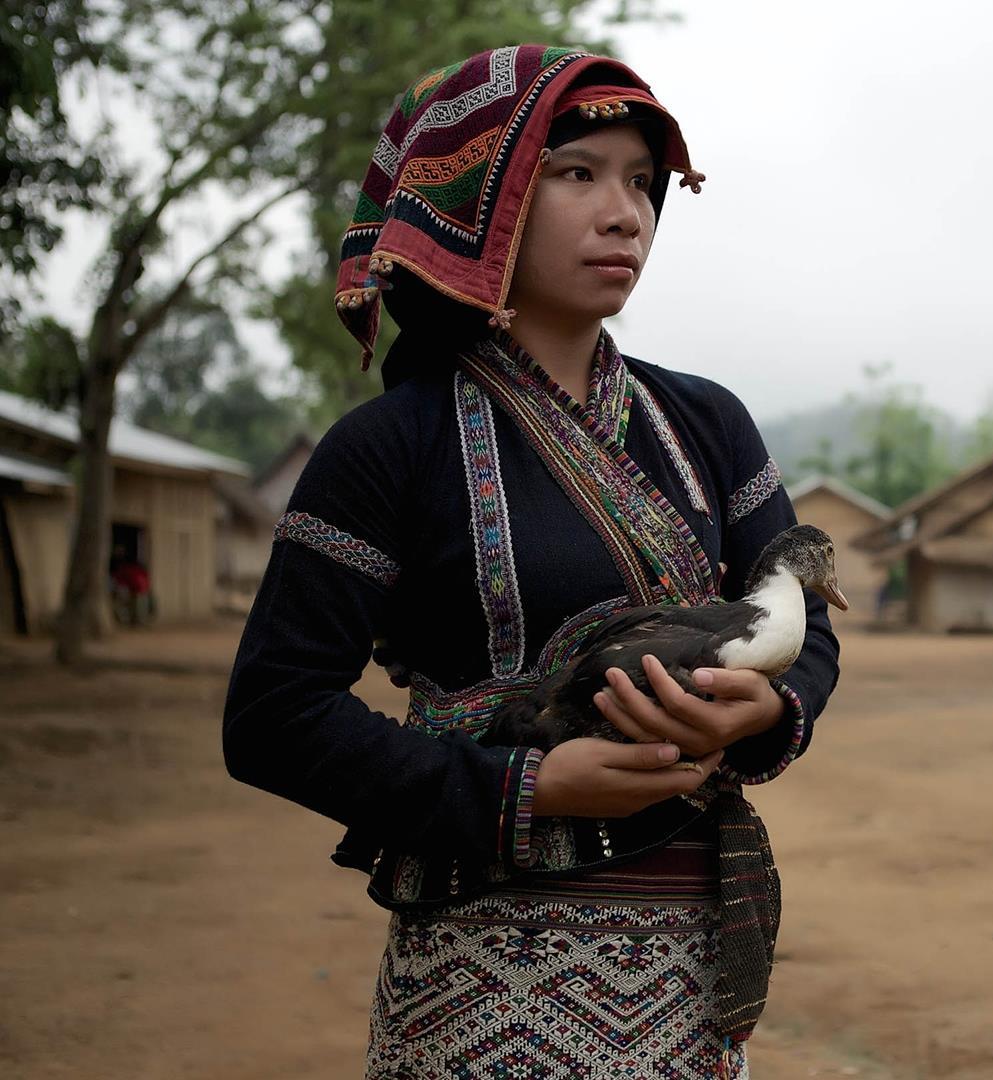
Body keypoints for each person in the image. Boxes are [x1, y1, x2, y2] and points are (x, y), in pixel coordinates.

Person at [222, 46, 838, 1080]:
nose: (626, 213)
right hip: (480, 984)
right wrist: (530, 786)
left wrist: (767, 712)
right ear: (485, 201)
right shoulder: (391, 447)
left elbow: (806, 624)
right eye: (579, 173)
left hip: (688, 968)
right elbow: (274, 716)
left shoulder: (708, 424)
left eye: (644, 183)